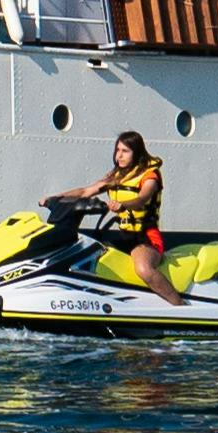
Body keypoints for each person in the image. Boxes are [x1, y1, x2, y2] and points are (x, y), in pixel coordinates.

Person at [49, 129, 182, 305]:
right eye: (117, 150)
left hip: (146, 238)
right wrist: (56, 198)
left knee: (143, 269)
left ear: (137, 153)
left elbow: (142, 198)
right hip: (124, 237)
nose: (119, 156)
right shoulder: (115, 176)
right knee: (88, 259)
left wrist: (123, 205)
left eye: (125, 151)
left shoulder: (150, 176)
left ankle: (179, 305)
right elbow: (85, 191)